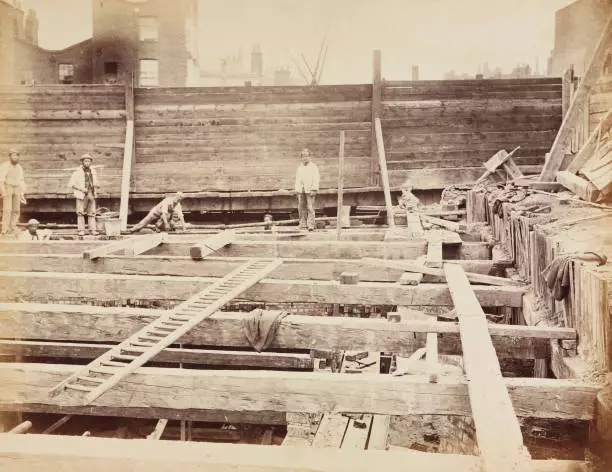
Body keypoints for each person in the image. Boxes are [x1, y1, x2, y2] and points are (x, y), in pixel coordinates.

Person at [69, 153, 100, 237]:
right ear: (82, 162)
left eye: (89, 161)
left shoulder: (93, 171)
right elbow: (71, 184)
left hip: (91, 193)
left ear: (91, 162)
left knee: (92, 212)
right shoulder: (77, 172)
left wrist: (96, 186)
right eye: (85, 161)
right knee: (80, 212)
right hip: (81, 194)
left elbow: (96, 182)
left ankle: (92, 230)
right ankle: (81, 230)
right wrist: (81, 189)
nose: (87, 163)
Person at [0, 149, 27, 235]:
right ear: (10, 156)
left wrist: (22, 194)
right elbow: (1, 180)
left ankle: (13, 227)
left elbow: (21, 180)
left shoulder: (19, 167)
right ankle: (5, 229)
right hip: (8, 187)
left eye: (17, 156)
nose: (15, 157)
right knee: (7, 210)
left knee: (16, 210)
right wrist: (3, 192)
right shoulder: (4, 166)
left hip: (17, 188)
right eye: (13, 155)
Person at [294, 148, 319, 231]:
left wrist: (314, 189)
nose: (305, 158)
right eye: (303, 156)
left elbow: (316, 178)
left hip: (310, 190)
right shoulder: (300, 168)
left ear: (310, 157)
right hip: (302, 191)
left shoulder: (313, 167)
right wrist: (297, 189)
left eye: (306, 156)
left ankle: (311, 225)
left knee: (310, 207)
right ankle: (303, 224)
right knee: (301, 208)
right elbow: (298, 179)